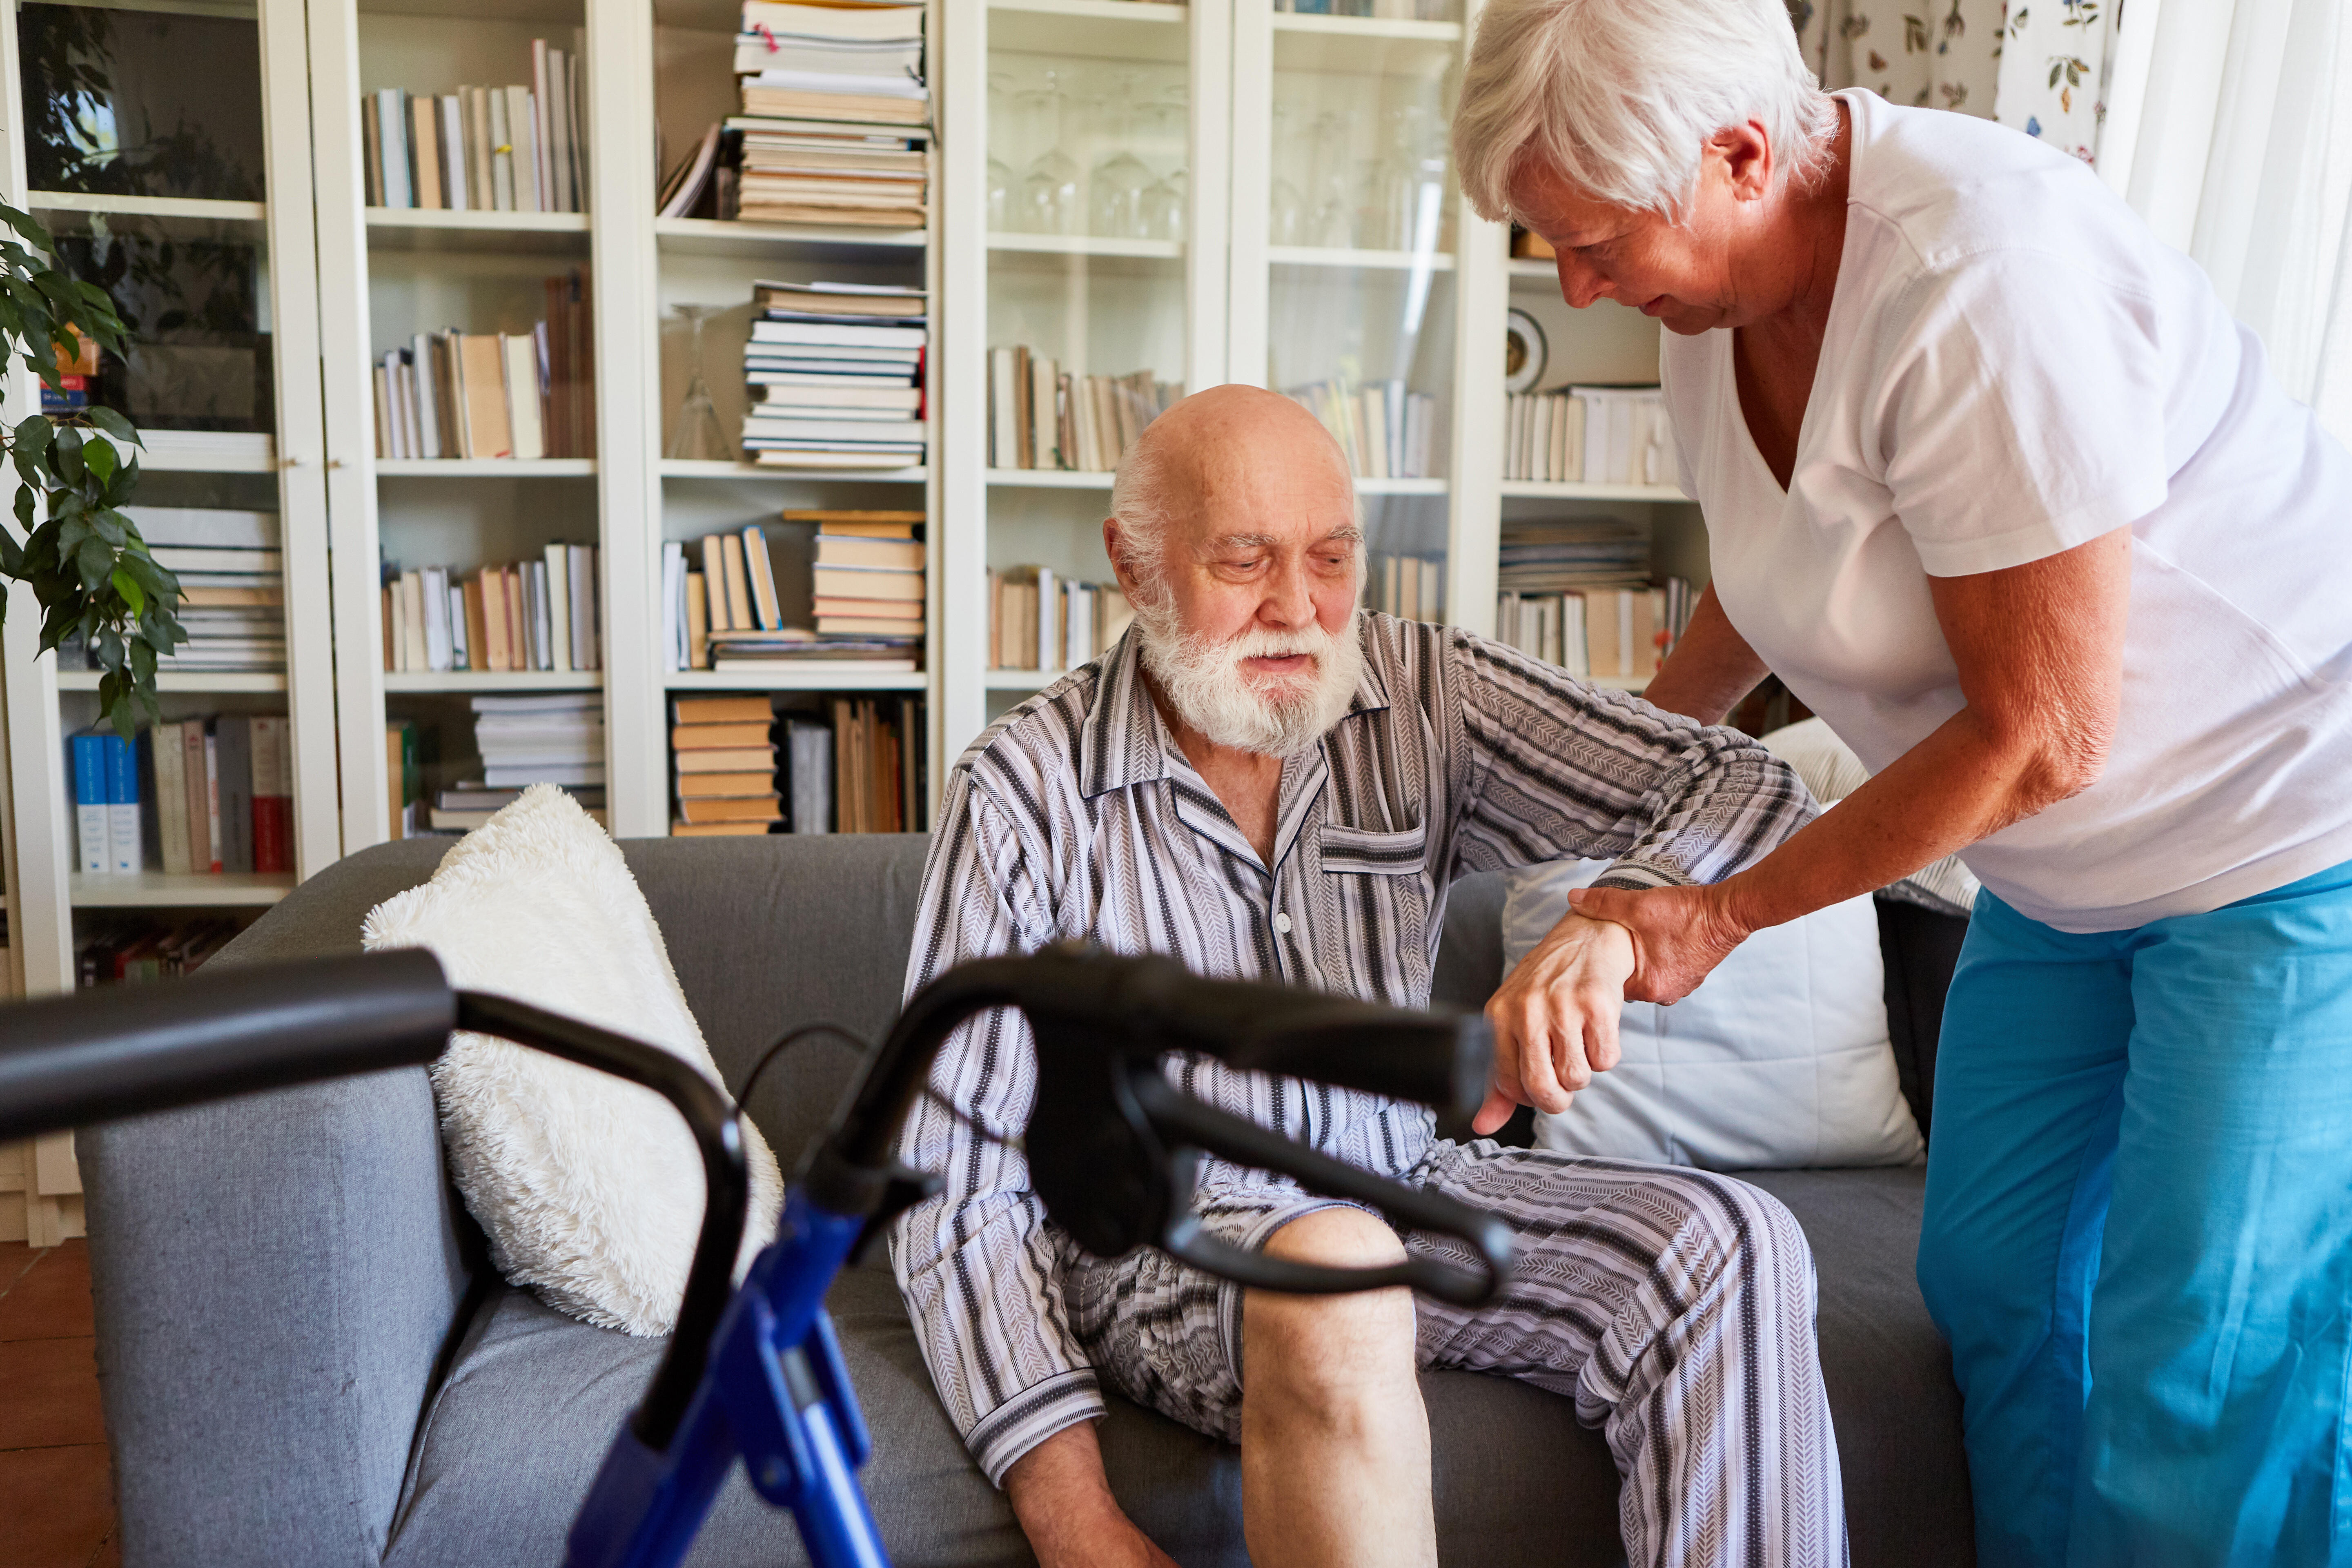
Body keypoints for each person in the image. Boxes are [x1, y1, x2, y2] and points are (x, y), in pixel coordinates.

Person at [1451, 2, 2352, 1564]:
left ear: (1740, 157)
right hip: (2060, 881)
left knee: (2201, 1358)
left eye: (1595, 243)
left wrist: (1716, 914)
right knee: (2000, 1288)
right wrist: (1621, 795)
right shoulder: (1715, 303)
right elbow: (1767, 581)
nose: (1576, 287)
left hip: (2282, 836)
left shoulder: (1978, 273)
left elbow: (2043, 733)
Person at [889, 384, 1845, 1568]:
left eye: (1332, 558)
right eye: (1245, 560)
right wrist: (1074, 1521)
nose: (1297, 607)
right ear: (1135, 568)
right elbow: (957, 1189)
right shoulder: (1022, 789)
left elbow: (1744, 783)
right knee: (1339, 1265)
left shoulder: (1424, 691)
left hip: (1406, 1184)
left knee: (1733, 1243)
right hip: (1166, 1245)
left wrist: (1611, 925)